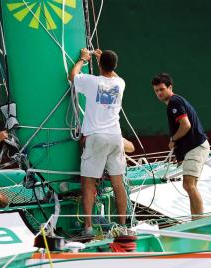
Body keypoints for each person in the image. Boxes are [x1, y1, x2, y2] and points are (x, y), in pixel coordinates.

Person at [69, 48, 127, 235]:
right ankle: (124, 226)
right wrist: (104, 59)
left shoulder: (92, 81)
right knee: (118, 184)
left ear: (100, 65)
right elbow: (113, 75)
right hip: (116, 137)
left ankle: (88, 227)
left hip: (96, 137)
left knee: (88, 183)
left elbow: (72, 76)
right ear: (115, 65)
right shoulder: (120, 83)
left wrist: (83, 59)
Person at [151, 73, 210, 219]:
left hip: (196, 147)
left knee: (188, 185)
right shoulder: (176, 101)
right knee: (191, 185)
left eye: (162, 89)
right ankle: (195, 219)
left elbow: (186, 125)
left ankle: (199, 220)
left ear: (170, 87)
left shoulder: (174, 103)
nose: (159, 93)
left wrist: (173, 139)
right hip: (196, 147)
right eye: (156, 90)